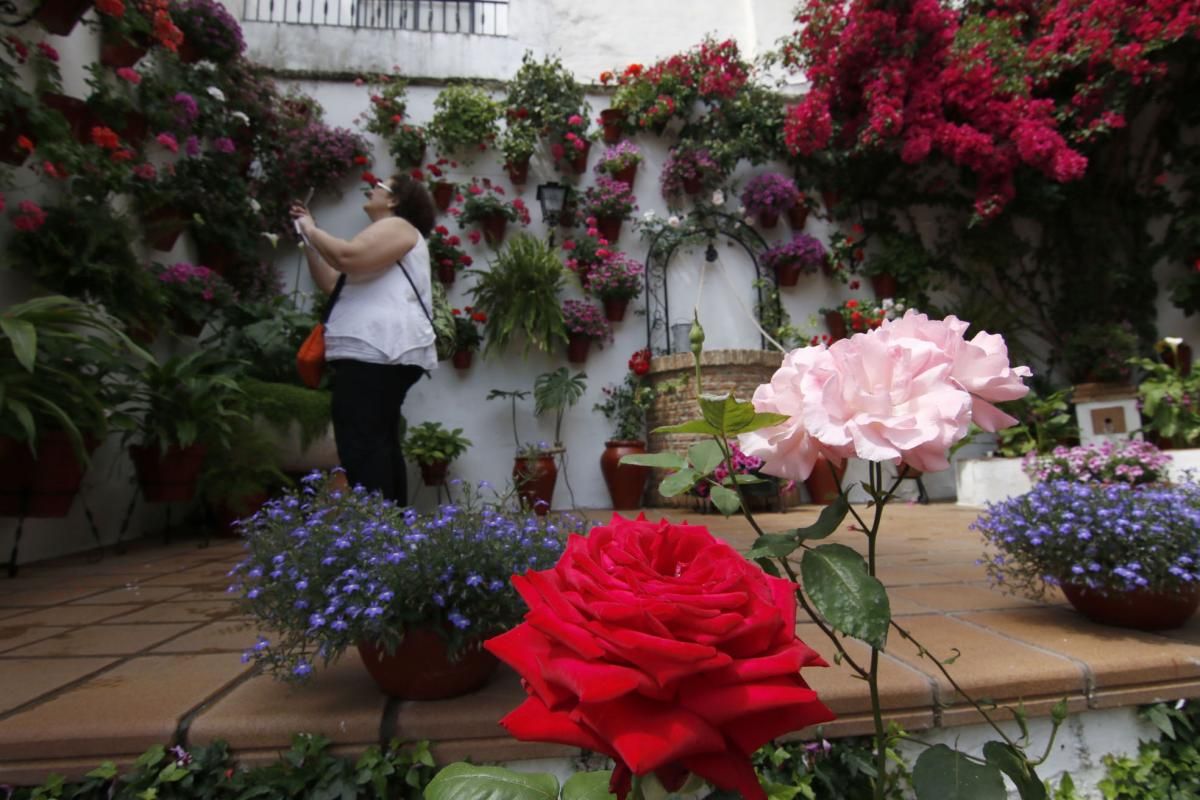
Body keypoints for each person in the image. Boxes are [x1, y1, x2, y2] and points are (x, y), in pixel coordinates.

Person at [289, 174, 437, 505]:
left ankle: (380, 531)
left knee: (361, 444)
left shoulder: (398, 227)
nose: (371, 188)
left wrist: (313, 229)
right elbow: (331, 281)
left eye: (380, 186)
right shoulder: (382, 236)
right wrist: (308, 237)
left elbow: (346, 257)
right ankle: (391, 531)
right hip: (378, 353)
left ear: (395, 200)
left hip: (377, 352)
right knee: (377, 442)